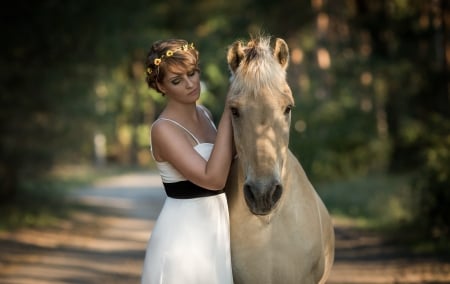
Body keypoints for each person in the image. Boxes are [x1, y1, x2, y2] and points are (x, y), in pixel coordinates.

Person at [140, 39, 234, 284]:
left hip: (215, 234)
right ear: (161, 87)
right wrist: (230, 111)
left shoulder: (205, 114)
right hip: (183, 242)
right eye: (176, 80)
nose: (190, 84)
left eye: (192, 73)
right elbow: (213, 179)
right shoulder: (163, 129)